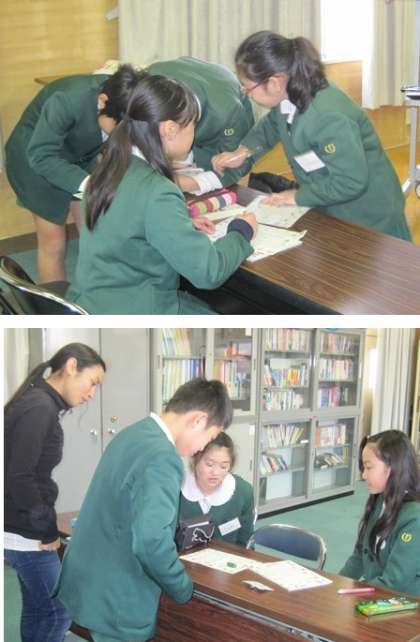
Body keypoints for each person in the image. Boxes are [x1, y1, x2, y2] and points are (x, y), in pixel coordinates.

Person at [55, 378, 233, 642]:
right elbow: (151, 542)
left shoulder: (133, 433)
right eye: (209, 437)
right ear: (197, 420)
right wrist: (182, 587)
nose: (200, 448)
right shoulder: (163, 457)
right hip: (117, 596)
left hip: (89, 579)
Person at [67, 71, 257, 315]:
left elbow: (124, 221)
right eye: (193, 124)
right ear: (170, 129)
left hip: (92, 302)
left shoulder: (109, 167)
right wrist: (241, 232)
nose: (194, 134)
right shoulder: (158, 191)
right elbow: (208, 272)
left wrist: (178, 223)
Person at [212, 31, 411, 241]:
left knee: (387, 263)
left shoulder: (327, 117)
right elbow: (271, 125)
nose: (247, 94)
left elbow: (350, 181)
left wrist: (297, 196)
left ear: (274, 82)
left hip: (369, 214)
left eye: (248, 88)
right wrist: (243, 151)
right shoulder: (290, 94)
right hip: (331, 201)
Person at [4, 342, 106, 642]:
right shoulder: (40, 407)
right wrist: (47, 530)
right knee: (58, 611)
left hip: (18, 524)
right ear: (71, 366)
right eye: (92, 382)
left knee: (38, 606)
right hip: (24, 531)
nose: (92, 394)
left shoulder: (39, 400)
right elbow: (20, 477)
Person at [5, 65, 144, 282]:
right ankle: (54, 301)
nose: (124, 137)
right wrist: (90, 185)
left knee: (94, 227)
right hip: (35, 158)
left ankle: (95, 290)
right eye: (119, 129)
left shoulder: (127, 96)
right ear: (102, 101)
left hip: (78, 154)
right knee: (53, 241)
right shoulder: (68, 100)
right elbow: (41, 155)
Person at [146, 56, 255, 194]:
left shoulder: (229, 113)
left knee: (228, 182)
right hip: (199, 94)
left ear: (171, 129)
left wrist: (186, 183)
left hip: (224, 107)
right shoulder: (146, 89)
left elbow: (236, 166)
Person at [340, 430, 420, 595]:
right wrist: (336, 585)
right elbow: (359, 556)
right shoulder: (379, 501)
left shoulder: (414, 518)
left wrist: (354, 594)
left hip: (406, 601)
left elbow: (394, 581)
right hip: (380, 593)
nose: (364, 475)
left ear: (392, 467)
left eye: (369, 467)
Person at [180, 432, 255, 546]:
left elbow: (246, 542)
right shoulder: (177, 491)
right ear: (193, 459)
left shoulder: (243, 491)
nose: (215, 472)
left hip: (228, 556)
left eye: (223, 466)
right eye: (209, 464)